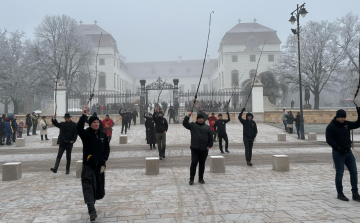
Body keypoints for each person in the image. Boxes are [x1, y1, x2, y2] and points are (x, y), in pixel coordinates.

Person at [77, 107, 110, 221]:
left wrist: (104, 159)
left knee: (96, 189)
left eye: (97, 122)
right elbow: (78, 128)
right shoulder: (86, 134)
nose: (96, 124)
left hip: (99, 167)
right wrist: (83, 116)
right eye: (94, 122)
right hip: (88, 167)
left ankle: (92, 205)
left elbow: (107, 148)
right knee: (88, 187)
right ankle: (91, 210)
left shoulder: (103, 135)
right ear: (90, 124)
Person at [326, 108, 360, 202]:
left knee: (354, 172)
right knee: (340, 174)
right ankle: (340, 194)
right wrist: (338, 148)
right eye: (341, 117)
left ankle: (355, 194)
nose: (343, 119)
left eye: (344, 117)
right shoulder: (331, 126)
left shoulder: (347, 124)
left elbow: (358, 124)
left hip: (348, 152)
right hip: (338, 153)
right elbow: (329, 140)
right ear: (337, 117)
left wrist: (359, 113)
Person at [183, 111, 213, 185]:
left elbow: (211, 138)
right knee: (194, 163)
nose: (200, 120)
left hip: (204, 149)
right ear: (197, 119)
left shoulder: (207, 127)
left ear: (203, 119)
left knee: (202, 164)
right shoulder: (193, 125)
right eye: (199, 118)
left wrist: (209, 146)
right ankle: (191, 179)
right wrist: (188, 116)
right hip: (195, 148)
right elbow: (184, 124)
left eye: (201, 118)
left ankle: (201, 178)